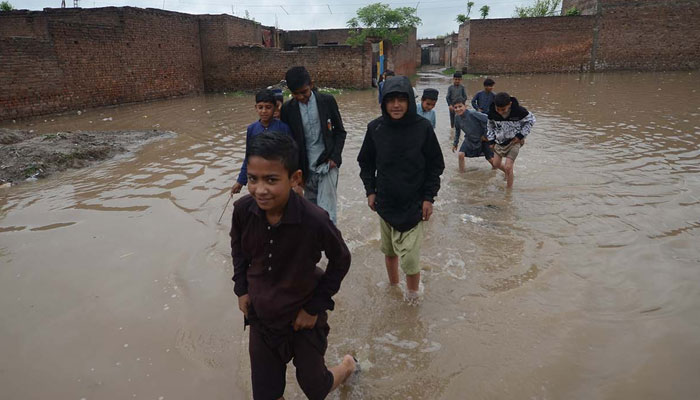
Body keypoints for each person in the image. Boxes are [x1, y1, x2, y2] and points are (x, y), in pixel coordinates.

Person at [230, 131, 356, 400]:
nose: (260, 190)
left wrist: (313, 308)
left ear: (295, 178)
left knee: (315, 387)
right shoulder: (243, 211)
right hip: (261, 317)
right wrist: (242, 289)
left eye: (271, 180)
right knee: (265, 394)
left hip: (302, 318)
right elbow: (238, 251)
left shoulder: (314, 220)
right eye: (253, 179)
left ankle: (347, 366)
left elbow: (341, 259)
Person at [357, 76, 445, 300]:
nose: (396, 105)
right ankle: (393, 286)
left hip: (414, 203)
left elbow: (436, 164)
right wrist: (370, 191)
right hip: (385, 201)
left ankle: (413, 297)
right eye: (391, 100)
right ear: (384, 103)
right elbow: (365, 162)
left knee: (411, 259)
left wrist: (428, 198)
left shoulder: (423, 128)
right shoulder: (375, 128)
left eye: (401, 99)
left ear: (409, 101)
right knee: (389, 251)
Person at [280, 66, 347, 224]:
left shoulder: (327, 101)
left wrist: (335, 158)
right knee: (310, 210)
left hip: (327, 164)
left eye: (304, 92)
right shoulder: (288, 109)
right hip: (305, 169)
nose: (301, 97)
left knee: (326, 211)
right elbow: (287, 143)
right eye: (296, 94)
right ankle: (315, 246)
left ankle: (331, 244)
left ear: (311, 84)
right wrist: (294, 174)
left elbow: (340, 132)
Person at [231, 89, 292, 195]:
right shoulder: (252, 129)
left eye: (268, 107)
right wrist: (240, 181)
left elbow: (291, 155)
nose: (264, 111)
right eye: (260, 107)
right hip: (259, 175)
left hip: (278, 174)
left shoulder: (283, 128)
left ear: (275, 108)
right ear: (256, 108)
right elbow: (248, 157)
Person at [487, 92, 536, 188]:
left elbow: (531, 120)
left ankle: (508, 192)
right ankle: (509, 173)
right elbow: (490, 126)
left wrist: (520, 136)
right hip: (499, 142)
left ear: (509, 104)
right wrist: (491, 140)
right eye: (498, 109)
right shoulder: (492, 112)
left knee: (508, 166)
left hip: (514, 142)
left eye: (503, 109)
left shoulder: (519, 111)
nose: (500, 112)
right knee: (495, 164)